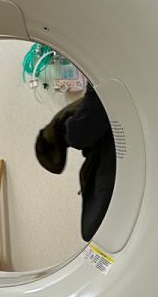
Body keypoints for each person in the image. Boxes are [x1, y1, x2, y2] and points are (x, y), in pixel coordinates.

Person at [34, 88, 117, 242]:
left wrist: (69, 125)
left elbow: (80, 134)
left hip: (112, 172)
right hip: (148, 169)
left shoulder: (105, 83)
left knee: (98, 235)